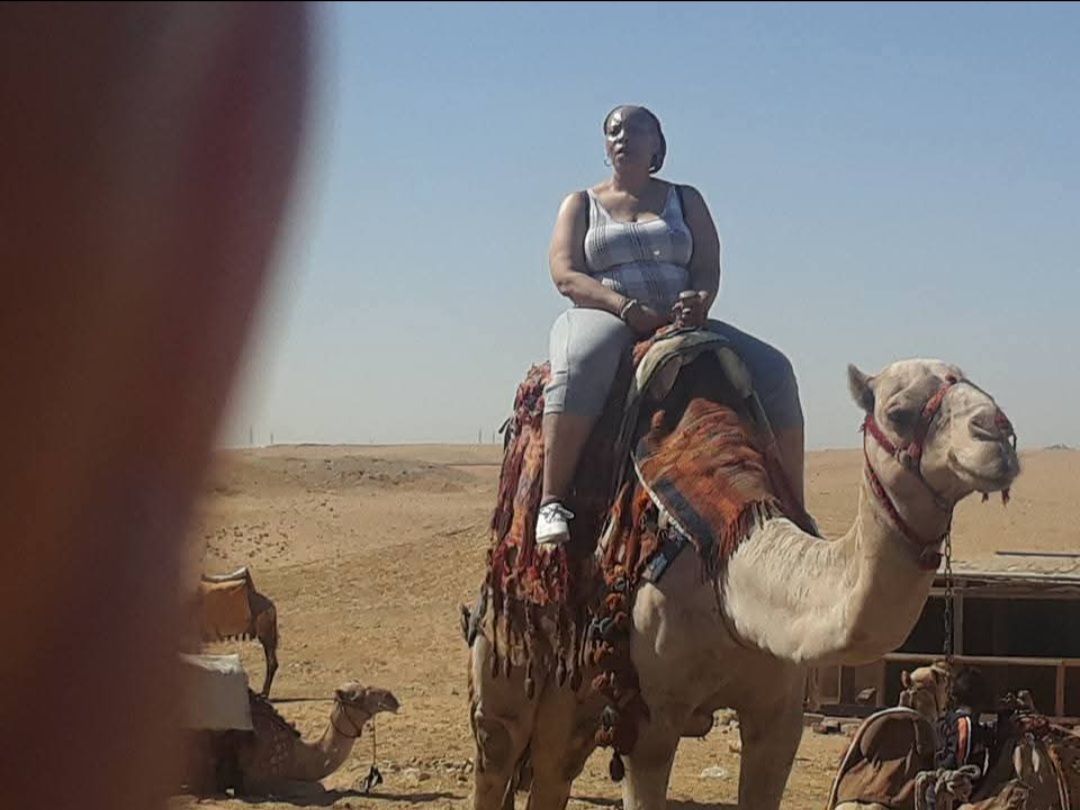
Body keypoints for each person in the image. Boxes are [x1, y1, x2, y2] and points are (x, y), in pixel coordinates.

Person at [536, 104, 806, 544]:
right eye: (614, 130)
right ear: (606, 146)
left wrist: (700, 300)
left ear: (658, 144)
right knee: (581, 363)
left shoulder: (686, 198)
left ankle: (794, 506)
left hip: (683, 323)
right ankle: (552, 500)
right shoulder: (581, 203)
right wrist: (624, 308)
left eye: (637, 128)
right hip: (605, 316)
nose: (624, 136)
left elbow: (707, 266)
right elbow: (565, 273)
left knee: (776, 371)